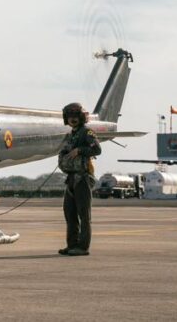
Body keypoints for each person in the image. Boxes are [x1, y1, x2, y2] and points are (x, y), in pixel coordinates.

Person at [58, 102, 101, 256]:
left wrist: (80, 150)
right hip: (70, 178)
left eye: (75, 116)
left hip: (82, 177)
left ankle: (82, 247)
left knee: (84, 214)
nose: (72, 119)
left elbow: (97, 149)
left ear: (81, 117)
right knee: (69, 213)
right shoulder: (71, 135)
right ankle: (72, 245)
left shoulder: (87, 133)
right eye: (69, 116)